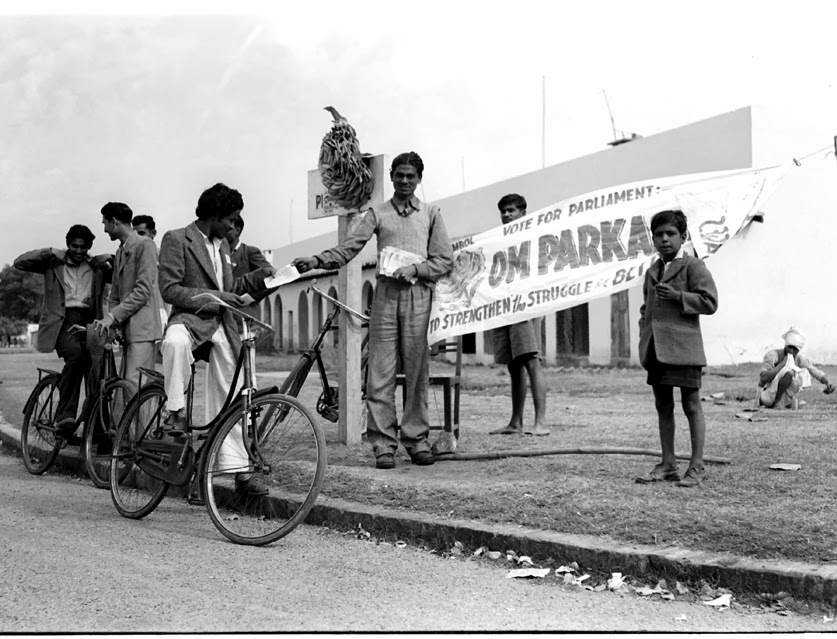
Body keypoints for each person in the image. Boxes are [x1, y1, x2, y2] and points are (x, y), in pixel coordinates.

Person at [293, 152, 453, 470]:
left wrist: (418, 270)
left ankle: (417, 440)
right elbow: (350, 246)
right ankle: (383, 444)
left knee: (418, 373)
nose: (405, 181)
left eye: (411, 176)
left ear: (419, 178)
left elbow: (444, 259)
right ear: (391, 176)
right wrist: (317, 260)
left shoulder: (431, 213)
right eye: (399, 175)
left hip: (419, 298)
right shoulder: (377, 213)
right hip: (385, 298)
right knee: (379, 373)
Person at [157, 183, 271, 494]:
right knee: (175, 343)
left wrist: (267, 278)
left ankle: (238, 469)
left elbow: (231, 287)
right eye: (231, 219)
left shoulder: (222, 248)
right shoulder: (176, 238)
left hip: (223, 325)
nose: (234, 226)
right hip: (191, 319)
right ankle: (176, 413)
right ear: (215, 216)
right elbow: (170, 289)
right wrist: (216, 296)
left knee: (233, 392)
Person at [635, 210, 718, 488]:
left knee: (691, 405)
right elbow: (646, 309)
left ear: (683, 237)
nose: (664, 239)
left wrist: (679, 296)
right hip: (657, 351)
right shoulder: (652, 272)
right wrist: (643, 338)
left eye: (670, 234)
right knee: (663, 405)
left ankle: (696, 467)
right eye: (659, 235)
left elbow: (709, 302)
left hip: (685, 350)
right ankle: (668, 464)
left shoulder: (694, 266)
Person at [13, 225, 112, 438]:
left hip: (88, 321)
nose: (79, 251)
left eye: (83, 247)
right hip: (62, 321)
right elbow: (19, 262)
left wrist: (109, 257)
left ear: (89, 248)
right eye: (75, 246)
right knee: (75, 355)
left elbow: (123, 272)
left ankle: (97, 429)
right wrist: (48, 251)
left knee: (98, 367)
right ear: (68, 245)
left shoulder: (96, 267)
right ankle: (65, 417)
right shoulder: (53, 263)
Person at [488, 194, 549, 436]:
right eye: (503, 211)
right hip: (504, 307)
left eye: (511, 210)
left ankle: (541, 422)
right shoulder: (499, 240)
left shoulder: (532, 238)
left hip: (525, 306)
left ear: (523, 212)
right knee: (513, 365)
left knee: (531, 361)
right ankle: (516, 422)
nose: (506, 215)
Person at [92, 202, 163, 389]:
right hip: (128, 331)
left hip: (143, 330)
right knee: (126, 387)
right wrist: (115, 324)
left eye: (104, 223)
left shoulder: (145, 245)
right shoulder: (120, 251)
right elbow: (115, 294)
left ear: (114, 221)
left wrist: (112, 316)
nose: (104, 229)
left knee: (136, 387)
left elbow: (143, 291)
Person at [758, 328, 835, 408]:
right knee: (790, 373)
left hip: (781, 396)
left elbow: (814, 371)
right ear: (786, 346)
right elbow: (763, 377)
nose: (791, 351)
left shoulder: (799, 359)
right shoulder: (773, 355)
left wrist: (827, 382)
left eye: (795, 349)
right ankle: (776, 403)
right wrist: (782, 365)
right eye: (790, 347)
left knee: (799, 376)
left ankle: (782, 402)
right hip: (767, 395)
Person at [225, 215, 273, 322]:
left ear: (237, 230)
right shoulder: (219, 254)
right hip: (223, 320)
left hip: (244, 320)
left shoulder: (250, 252)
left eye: (228, 229)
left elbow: (274, 278)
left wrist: (251, 297)